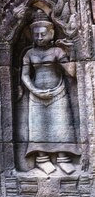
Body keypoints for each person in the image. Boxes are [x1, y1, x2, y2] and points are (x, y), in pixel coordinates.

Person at [21, 9, 79, 175]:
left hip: (58, 93)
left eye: (43, 34)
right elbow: (25, 76)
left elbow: (71, 72)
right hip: (36, 96)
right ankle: (42, 158)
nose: (39, 38)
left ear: (51, 34)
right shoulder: (29, 53)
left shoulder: (57, 51)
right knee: (38, 127)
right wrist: (35, 90)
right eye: (36, 35)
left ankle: (63, 158)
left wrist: (72, 52)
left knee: (61, 126)